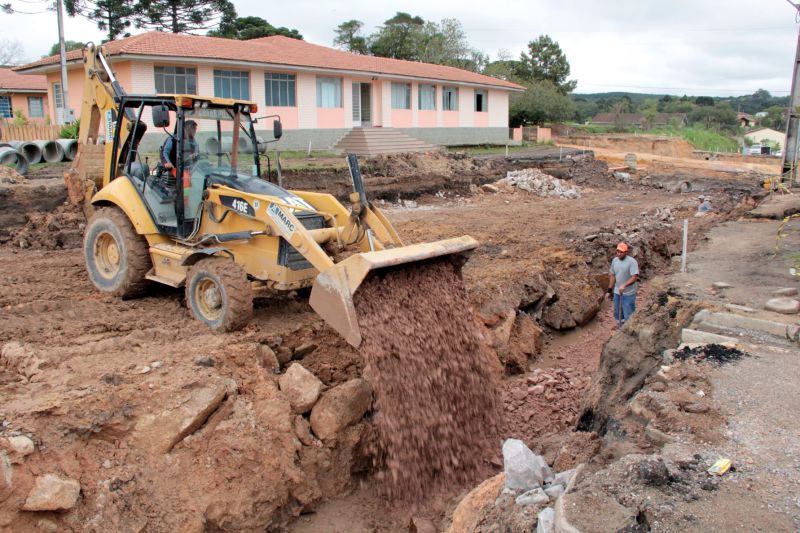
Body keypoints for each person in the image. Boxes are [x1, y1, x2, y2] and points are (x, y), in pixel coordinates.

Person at [607, 242, 639, 327]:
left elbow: (634, 277)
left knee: (629, 313)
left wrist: (624, 285)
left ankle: (629, 330)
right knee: (618, 313)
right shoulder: (615, 260)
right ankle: (620, 329)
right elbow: (613, 275)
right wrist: (609, 290)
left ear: (626, 252)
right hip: (617, 292)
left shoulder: (632, 262)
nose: (619, 254)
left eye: (621, 252)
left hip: (629, 293)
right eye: (618, 251)